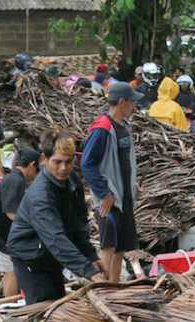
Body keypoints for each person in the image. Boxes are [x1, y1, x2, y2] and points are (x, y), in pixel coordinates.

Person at [7, 130, 100, 303]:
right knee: (42, 307)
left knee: (57, 303)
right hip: (30, 255)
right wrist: (89, 271)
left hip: (50, 254)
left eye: (68, 162)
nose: (63, 168)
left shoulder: (72, 179)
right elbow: (55, 238)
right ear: (44, 159)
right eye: (57, 162)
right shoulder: (40, 195)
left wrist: (91, 256)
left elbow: (79, 223)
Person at [81, 82, 142, 283]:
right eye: (132, 102)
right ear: (122, 102)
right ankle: (104, 290)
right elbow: (87, 163)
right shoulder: (102, 129)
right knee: (108, 246)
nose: (134, 107)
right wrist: (104, 193)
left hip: (124, 197)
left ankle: (114, 288)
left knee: (121, 246)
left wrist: (133, 184)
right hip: (109, 199)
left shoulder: (124, 127)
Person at [0, 147, 41, 300]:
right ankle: (10, 308)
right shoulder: (16, 180)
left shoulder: (11, 178)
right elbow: (11, 212)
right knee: (12, 267)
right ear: (32, 165)